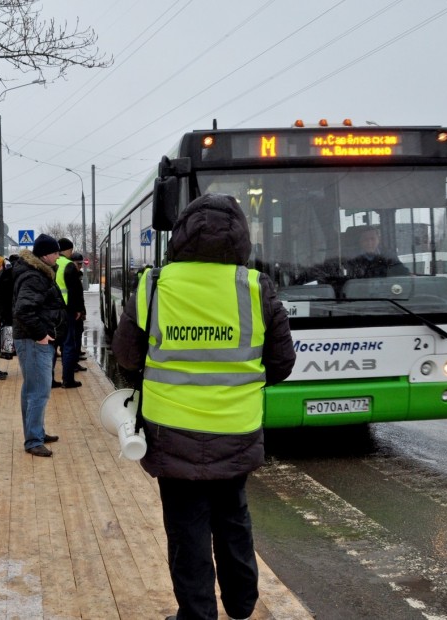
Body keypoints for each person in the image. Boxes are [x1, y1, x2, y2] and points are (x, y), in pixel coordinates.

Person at [112, 193, 296, 620]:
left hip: (170, 433)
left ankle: (197, 614)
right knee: (233, 517)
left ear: (180, 236)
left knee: (186, 532)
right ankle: (241, 603)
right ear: (241, 239)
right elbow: (282, 364)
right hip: (237, 428)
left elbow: (126, 356)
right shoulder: (256, 286)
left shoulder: (153, 284)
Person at [13, 234, 67, 457]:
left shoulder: (37, 273)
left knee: (31, 390)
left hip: (31, 339)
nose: (58, 256)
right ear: (45, 254)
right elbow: (24, 309)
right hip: (33, 340)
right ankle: (33, 440)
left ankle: (36, 432)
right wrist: (41, 335)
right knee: (39, 391)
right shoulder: (35, 277)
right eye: (55, 252)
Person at [52, 237, 84, 389]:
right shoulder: (69, 265)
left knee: (52, 345)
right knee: (68, 345)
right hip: (67, 310)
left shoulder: (50, 263)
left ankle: (50, 380)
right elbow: (75, 290)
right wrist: (78, 309)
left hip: (51, 310)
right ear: (68, 250)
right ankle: (68, 380)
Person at [344, 226, 409, 279]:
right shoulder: (351, 257)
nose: (369, 243)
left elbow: (402, 273)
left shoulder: (388, 256)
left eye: (372, 239)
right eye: (365, 239)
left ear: (378, 240)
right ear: (360, 241)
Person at [70, 252, 88, 370]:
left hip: (78, 311)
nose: (80, 266)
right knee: (74, 338)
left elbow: (80, 296)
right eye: (78, 263)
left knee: (78, 333)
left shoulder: (77, 274)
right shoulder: (71, 275)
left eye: (81, 264)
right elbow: (75, 295)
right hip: (73, 312)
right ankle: (73, 362)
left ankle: (76, 356)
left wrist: (83, 311)